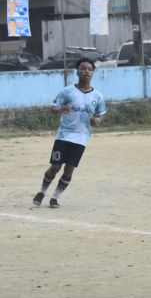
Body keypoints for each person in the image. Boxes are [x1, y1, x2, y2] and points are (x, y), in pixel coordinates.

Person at [32, 58, 107, 209]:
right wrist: (60, 109)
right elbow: (52, 109)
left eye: (89, 69)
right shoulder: (67, 91)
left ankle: (55, 198)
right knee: (55, 166)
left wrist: (97, 121)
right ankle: (42, 191)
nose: (86, 71)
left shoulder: (97, 96)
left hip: (81, 138)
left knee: (69, 168)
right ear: (77, 71)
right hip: (64, 135)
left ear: (92, 73)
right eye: (83, 68)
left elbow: (101, 114)